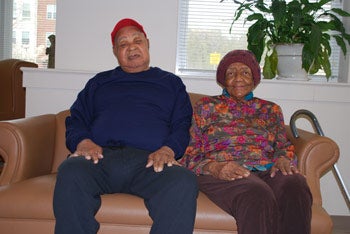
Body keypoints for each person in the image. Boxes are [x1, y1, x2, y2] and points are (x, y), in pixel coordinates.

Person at [53, 18, 198, 234]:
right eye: (123, 44)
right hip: (100, 159)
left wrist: (168, 150)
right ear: (115, 51)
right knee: (71, 171)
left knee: (183, 181)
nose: (131, 47)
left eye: (137, 40)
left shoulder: (170, 83)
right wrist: (83, 142)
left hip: (150, 163)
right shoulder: (99, 82)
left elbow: (181, 124)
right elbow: (76, 118)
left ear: (147, 43)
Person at [179, 50, 312, 234]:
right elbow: (189, 153)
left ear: (255, 79)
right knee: (257, 193)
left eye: (245, 72)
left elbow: (283, 146)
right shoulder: (205, 107)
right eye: (231, 73)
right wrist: (214, 167)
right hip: (223, 170)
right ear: (223, 80)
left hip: (265, 168)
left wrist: (283, 159)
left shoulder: (270, 109)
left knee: (294, 184)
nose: (238, 78)